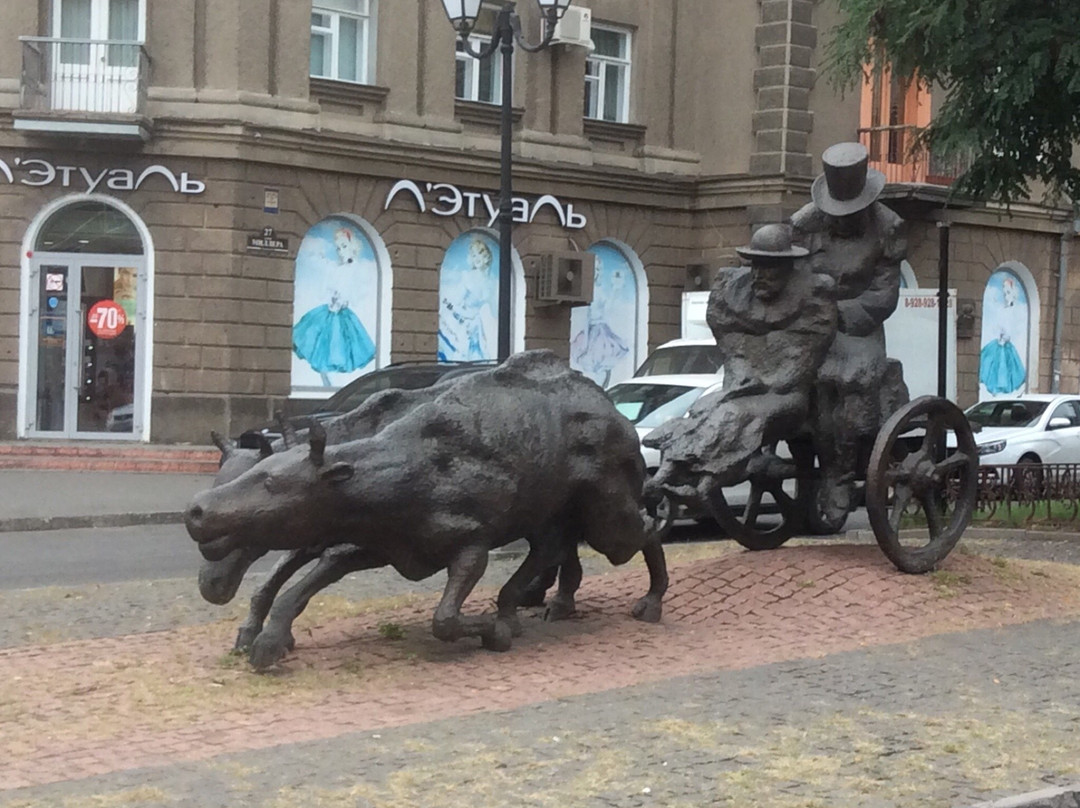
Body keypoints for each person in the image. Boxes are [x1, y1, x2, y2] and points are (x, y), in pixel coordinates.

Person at [644, 224, 837, 502]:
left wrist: (764, 383)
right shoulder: (733, 296)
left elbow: (802, 361)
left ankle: (706, 485)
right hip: (744, 388)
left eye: (769, 268)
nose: (759, 275)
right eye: (755, 266)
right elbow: (733, 349)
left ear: (787, 268)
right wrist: (741, 377)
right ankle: (665, 474)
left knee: (736, 416)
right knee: (704, 408)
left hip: (786, 395)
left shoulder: (814, 299)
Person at [790, 142, 908, 527]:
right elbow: (792, 278)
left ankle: (839, 475)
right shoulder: (804, 224)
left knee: (843, 381)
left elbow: (884, 294)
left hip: (860, 329)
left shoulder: (888, 227)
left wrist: (842, 313)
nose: (840, 220)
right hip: (812, 322)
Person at [293, 225, 377, 386]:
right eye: (338, 248)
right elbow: (329, 288)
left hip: (342, 317)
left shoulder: (357, 269)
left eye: (344, 246)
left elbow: (357, 292)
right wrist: (333, 299)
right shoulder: (338, 270)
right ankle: (328, 385)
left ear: (353, 246)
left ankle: (334, 386)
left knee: (337, 351)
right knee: (321, 348)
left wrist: (341, 301)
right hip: (329, 313)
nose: (340, 251)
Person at [570, 252, 631, 387]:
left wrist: (616, 290)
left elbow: (607, 308)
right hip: (592, 332)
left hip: (602, 330)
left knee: (603, 364)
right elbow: (586, 316)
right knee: (592, 363)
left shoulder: (600, 289)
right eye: (593, 269)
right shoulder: (587, 292)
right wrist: (584, 338)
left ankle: (601, 390)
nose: (595, 273)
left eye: (597, 269)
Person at [438, 236, 500, 362]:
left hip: (477, 324)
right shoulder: (468, 277)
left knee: (478, 355)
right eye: (474, 255)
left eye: (480, 254)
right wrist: (466, 317)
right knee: (462, 353)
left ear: (487, 257)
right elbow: (453, 304)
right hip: (461, 322)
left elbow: (494, 309)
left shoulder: (492, 282)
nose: (477, 258)